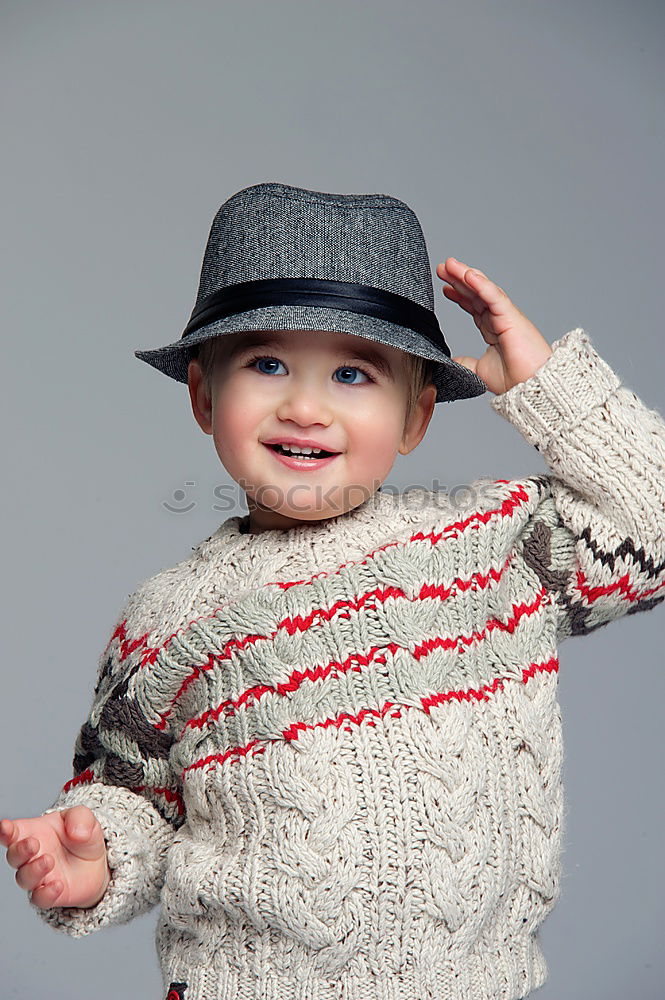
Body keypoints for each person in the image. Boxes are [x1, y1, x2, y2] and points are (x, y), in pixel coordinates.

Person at [2, 181, 664, 1000]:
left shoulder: (492, 551)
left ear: (416, 418)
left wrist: (545, 383)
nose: (306, 405)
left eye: (354, 373)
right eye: (267, 364)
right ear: (205, 398)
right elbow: (137, 798)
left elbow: (654, 522)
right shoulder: (170, 618)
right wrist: (98, 855)